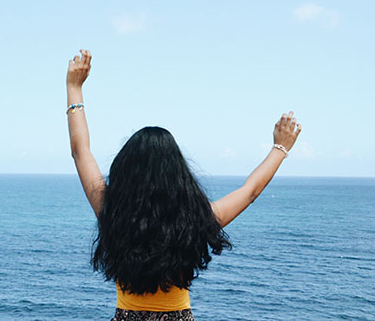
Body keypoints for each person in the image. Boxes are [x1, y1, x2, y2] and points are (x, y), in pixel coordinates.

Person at [66, 49, 302, 321]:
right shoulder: (195, 222)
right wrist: (280, 147)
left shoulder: (112, 212)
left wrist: (74, 88)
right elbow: (249, 192)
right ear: (178, 176)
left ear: (125, 171)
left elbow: (80, 151)